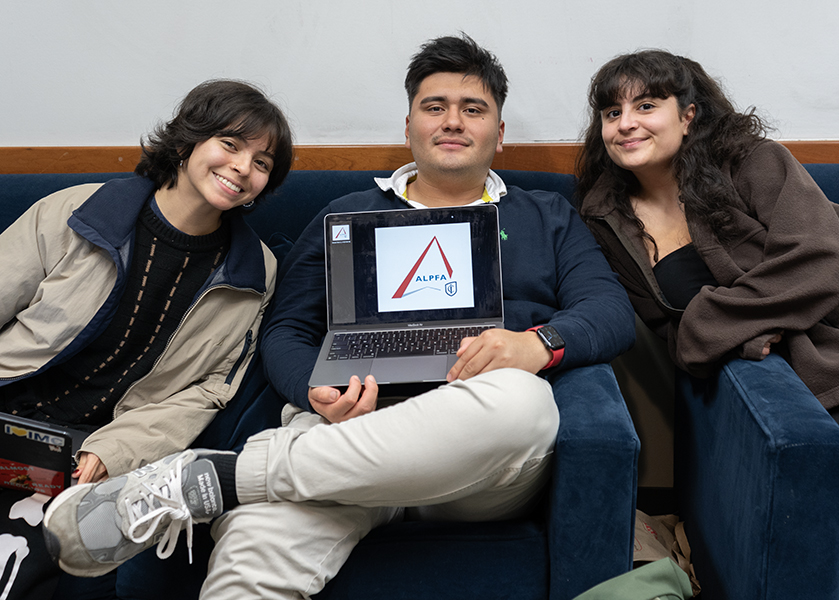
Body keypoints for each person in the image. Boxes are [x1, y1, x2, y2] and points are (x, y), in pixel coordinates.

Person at [42, 34, 635, 598]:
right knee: (255, 545)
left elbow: (610, 311)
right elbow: (287, 328)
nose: (453, 120)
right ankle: (227, 485)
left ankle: (224, 477)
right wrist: (315, 388)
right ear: (409, 126)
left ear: (499, 133)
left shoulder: (547, 215)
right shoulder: (346, 213)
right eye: (435, 106)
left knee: (523, 404)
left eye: (472, 108)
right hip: (346, 434)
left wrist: (537, 345)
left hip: (478, 454)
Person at [575, 49, 839, 526]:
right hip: (794, 379)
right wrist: (736, 330)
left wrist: (716, 321)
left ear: (687, 116)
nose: (625, 124)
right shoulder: (604, 216)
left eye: (646, 106)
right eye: (612, 112)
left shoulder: (753, 162)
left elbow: (823, 261)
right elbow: (670, 330)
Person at [1, 79, 293, 599]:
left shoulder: (256, 274)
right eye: (230, 144)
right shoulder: (74, 212)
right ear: (185, 144)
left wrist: (115, 452)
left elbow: (207, 391)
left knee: (31, 559)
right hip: (7, 410)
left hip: (81, 457)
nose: (243, 167)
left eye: (262, 162)